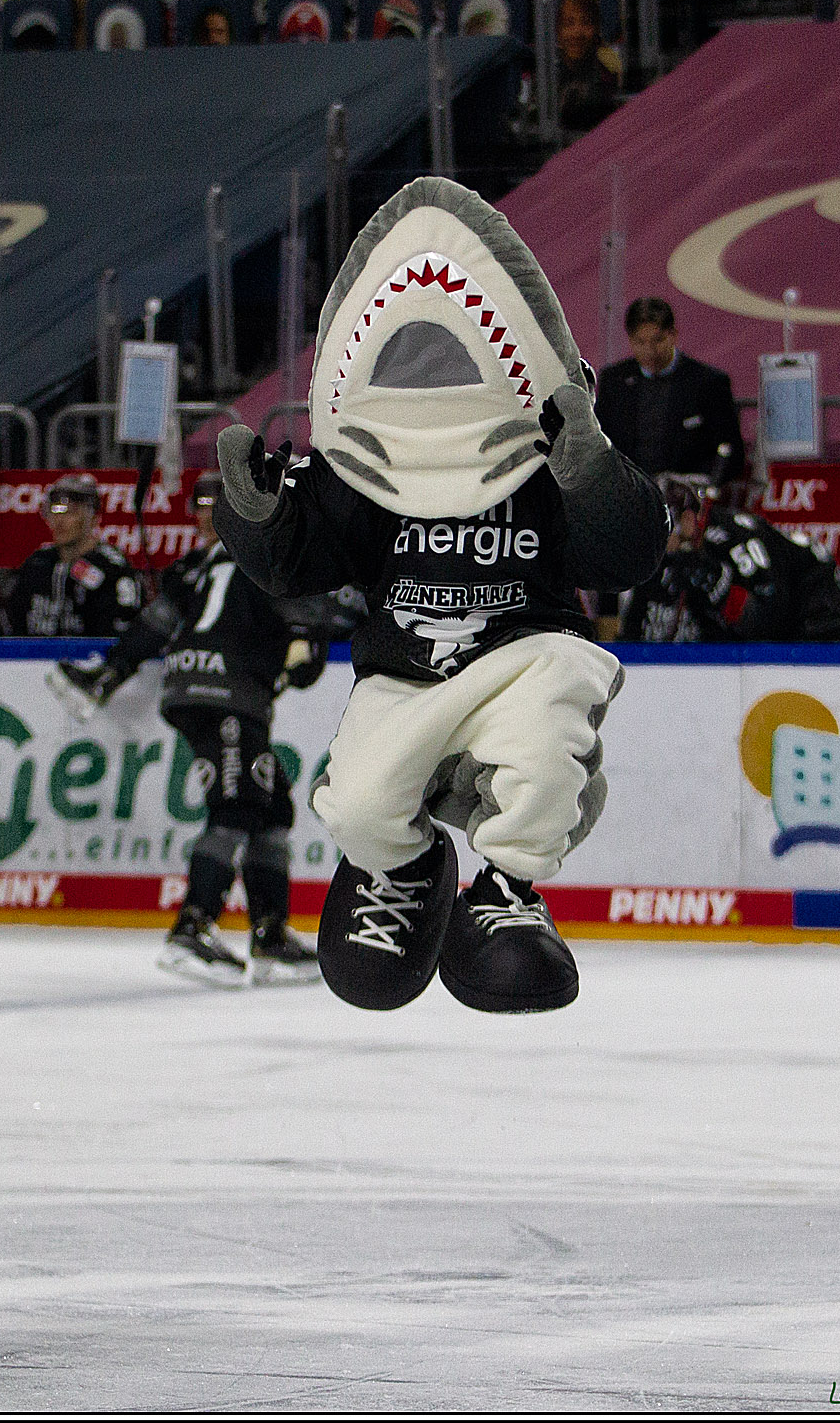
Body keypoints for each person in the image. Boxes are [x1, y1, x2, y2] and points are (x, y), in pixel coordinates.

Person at [213, 175, 670, 1017]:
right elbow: (298, 560)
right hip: (406, 670)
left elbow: (628, 551)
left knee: (544, 744)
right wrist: (253, 513)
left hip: (524, 654)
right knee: (354, 804)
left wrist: (590, 469)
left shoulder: (549, 460)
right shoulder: (373, 470)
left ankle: (507, 892)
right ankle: (405, 868)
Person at [45, 471, 342, 986]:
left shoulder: (194, 564)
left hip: (188, 688)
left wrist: (107, 675)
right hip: (228, 694)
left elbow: (154, 626)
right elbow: (310, 647)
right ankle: (192, 929)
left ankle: (269, 936)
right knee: (238, 805)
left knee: (271, 806)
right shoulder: (276, 557)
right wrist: (304, 649)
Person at [621, 477, 840, 642]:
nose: (657, 541)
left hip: (818, 621)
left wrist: (720, 588)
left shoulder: (736, 539)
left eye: (665, 530)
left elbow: (769, 621)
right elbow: (635, 633)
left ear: (689, 519)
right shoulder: (660, 555)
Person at [595, 297, 746, 487]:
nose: (650, 351)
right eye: (641, 342)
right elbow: (600, 444)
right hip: (628, 495)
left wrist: (697, 488)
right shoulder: (614, 381)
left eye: (657, 340)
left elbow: (730, 454)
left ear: (673, 334)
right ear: (630, 340)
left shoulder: (708, 383)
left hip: (685, 499)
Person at [5, 474, 143, 638]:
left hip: (94, 659)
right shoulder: (37, 563)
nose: (60, 520)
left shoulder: (111, 567)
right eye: (56, 510)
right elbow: (13, 622)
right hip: (35, 660)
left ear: (93, 518)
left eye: (72, 512)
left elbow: (123, 629)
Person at [556, 0, 621, 139]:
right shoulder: (549, 69)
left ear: (597, 28)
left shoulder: (607, 62)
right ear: (558, 31)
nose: (577, 33)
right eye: (569, 24)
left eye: (586, 23)